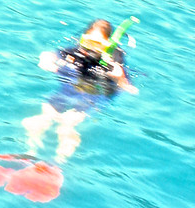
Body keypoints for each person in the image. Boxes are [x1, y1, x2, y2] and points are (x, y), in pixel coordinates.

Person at [21, 18, 138, 164]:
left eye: (98, 44)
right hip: (68, 90)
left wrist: (119, 78)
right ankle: (30, 153)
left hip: (93, 96)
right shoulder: (76, 53)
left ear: (108, 45)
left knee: (66, 125)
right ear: (83, 39)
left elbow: (131, 90)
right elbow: (49, 54)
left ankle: (57, 163)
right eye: (88, 42)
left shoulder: (113, 64)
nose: (90, 48)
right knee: (40, 118)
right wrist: (45, 60)